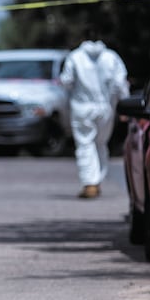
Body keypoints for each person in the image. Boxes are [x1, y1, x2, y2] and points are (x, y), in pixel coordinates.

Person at [60, 38, 129, 199]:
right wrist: (124, 105)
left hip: (82, 107)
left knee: (85, 144)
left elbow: (66, 81)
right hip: (106, 107)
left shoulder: (75, 57)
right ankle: (97, 180)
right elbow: (120, 83)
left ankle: (90, 182)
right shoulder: (111, 57)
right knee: (100, 143)